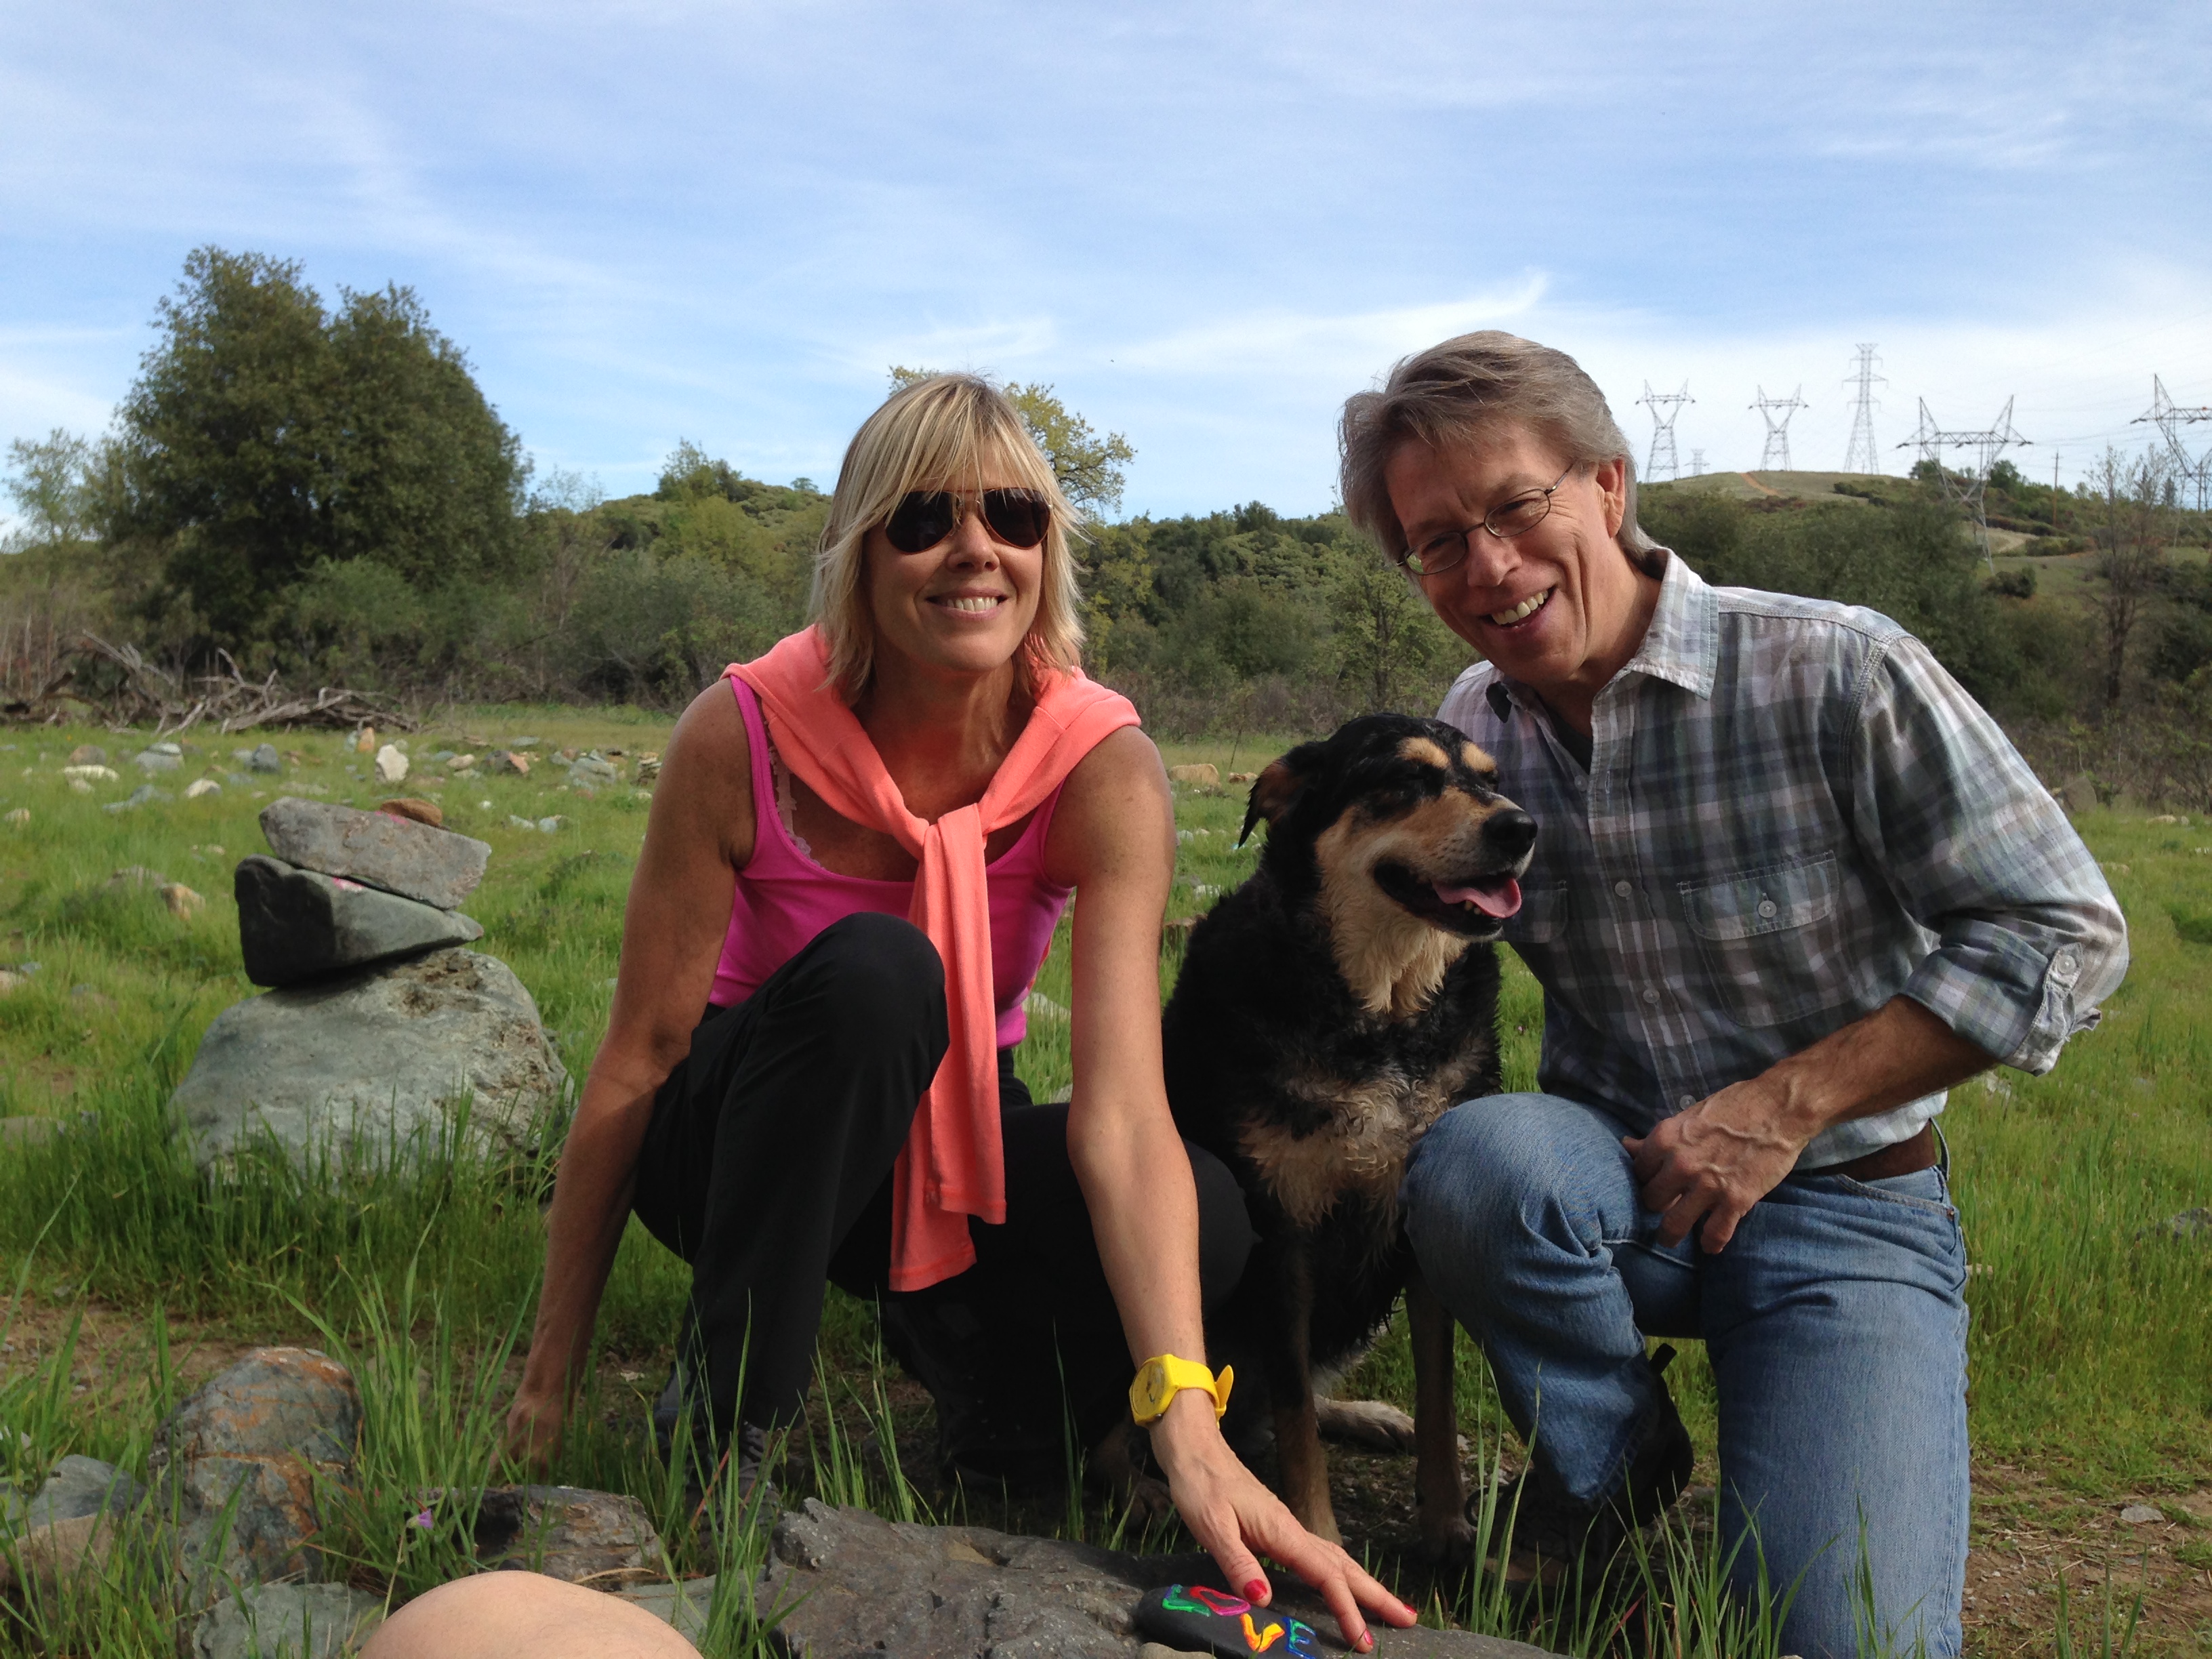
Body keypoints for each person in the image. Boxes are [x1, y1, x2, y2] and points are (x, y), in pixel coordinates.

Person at [474, 373, 1409, 1652]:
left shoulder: (1098, 763)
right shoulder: (740, 728)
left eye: (1013, 516)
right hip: (744, 1140)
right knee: (879, 973)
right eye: (923, 518)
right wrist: (549, 1375)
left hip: (951, 1145)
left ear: (1047, 549)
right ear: (860, 553)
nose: (976, 548)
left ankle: (993, 1388)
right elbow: (641, 1056)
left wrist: (1185, 1416)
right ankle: (732, 1411)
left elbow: (1126, 1118)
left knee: (1218, 1219)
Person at [1338, 333, 2126, 1658]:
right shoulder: (1480, 717)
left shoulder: (1836, 671)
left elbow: (2066, 930)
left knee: (1836, 1636)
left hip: (1846, 1212)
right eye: (1435, 540)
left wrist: (1786, 1105)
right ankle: (1610, 1454)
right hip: (1621, 1185)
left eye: (1515, 506)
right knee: (1476, 1161)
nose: (1486, 567)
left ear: (1606, 483)